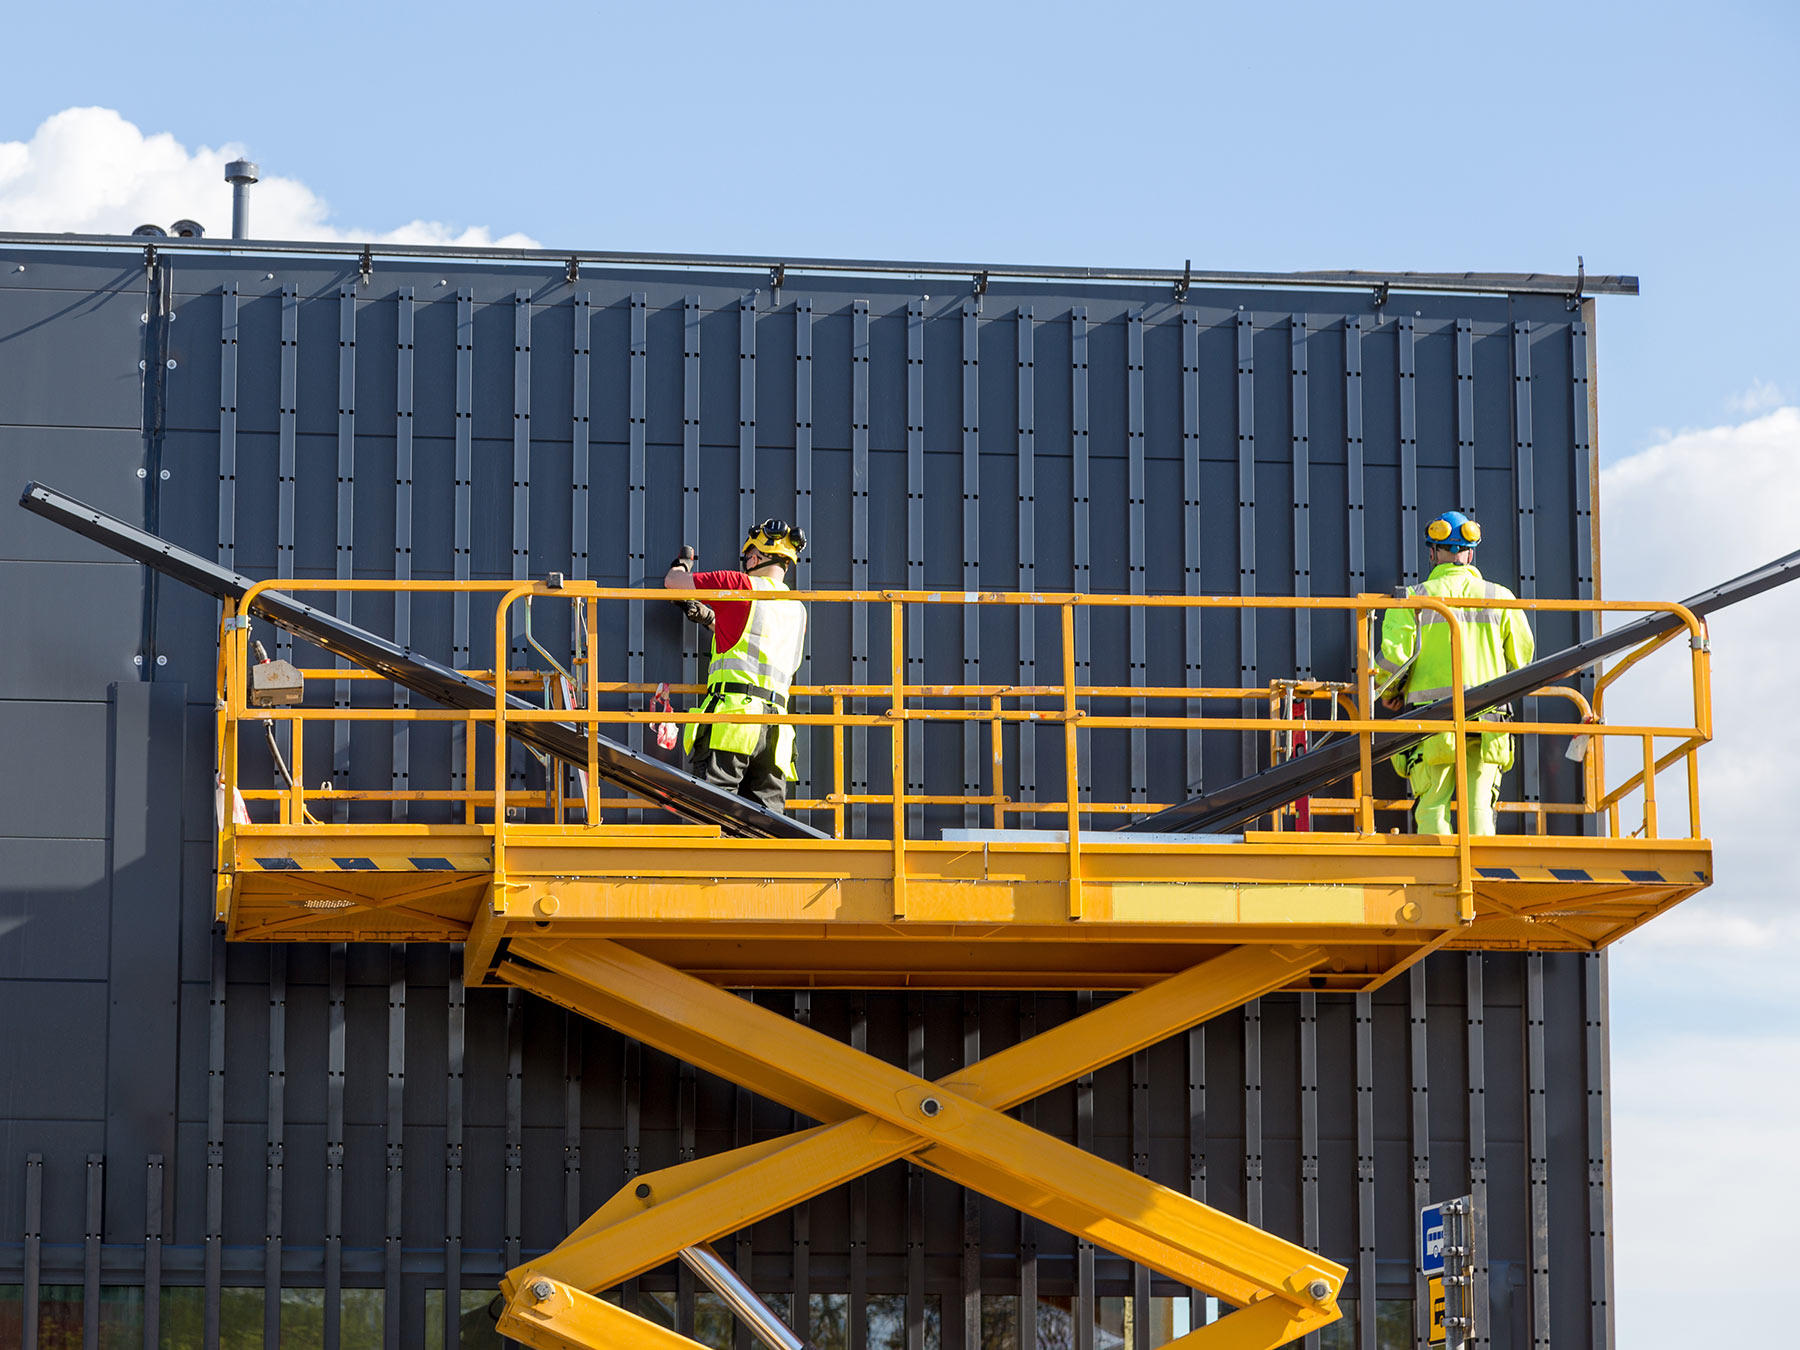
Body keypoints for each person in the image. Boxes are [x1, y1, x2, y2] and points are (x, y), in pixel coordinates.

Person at [1375, 510, 1534, 835]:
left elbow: (1393, 658)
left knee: (1432, 805)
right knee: (1478, 807)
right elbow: (1522, 660)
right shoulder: (1500, 597)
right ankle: (1476, 877)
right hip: (1488, 721)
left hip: (1432, 721)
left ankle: (1435, 880)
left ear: (1433, 552)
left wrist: (1389, 693)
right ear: (1470, 552)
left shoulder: (1414, 598)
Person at [664, 519, 809, 813]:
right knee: (766, 825)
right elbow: (750, 640)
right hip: (776, 732)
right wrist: (708, 619)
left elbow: (672, 584)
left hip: (732, 723)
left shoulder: (740, 586)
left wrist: (680, 565)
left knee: (713, 815)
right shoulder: (797, 609)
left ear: (754, 557)